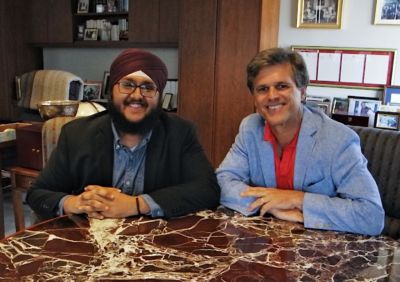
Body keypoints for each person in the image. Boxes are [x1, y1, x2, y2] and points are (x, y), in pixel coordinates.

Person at [27, 48, 220, 220]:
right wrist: (76, 203)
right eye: (127, 84)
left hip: (156, 245)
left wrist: (136, 204)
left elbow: (207, 189)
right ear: (112, 90)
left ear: (159, 97)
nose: (136, 95)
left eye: (148, 87)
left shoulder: (180, 132)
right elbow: (37, 193)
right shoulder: (76, 134)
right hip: (90, 244)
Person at [216, 48, 384, 236]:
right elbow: (222, 181)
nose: (272, 96)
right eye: (262, 89)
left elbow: (371, 216)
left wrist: (298, 199)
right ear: (254, 97)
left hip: (319, 254)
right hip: (262, 246)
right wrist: (271, 205)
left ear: (302, 92)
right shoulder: (250, 128)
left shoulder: (337, 139)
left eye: (282, 86)